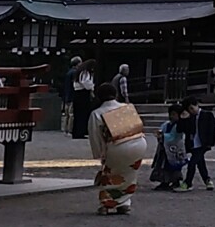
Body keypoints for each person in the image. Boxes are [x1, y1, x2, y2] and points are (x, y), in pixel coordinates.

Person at [88, 82, 148, 215]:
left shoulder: (97, 113)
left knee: (110, 174)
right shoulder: (127, 107)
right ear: (115, 94)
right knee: (129, 174)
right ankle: (124, 203)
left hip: (117, 146)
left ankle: (106, 203)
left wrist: (100, 154)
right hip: (139, 142)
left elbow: (95, 136)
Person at [175, 96, 215, 191]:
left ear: (197, 105)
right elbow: (180, 129)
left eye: (192, 108)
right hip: (193, 144)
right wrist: (182, 119)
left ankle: (187, 182)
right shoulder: (189, 117)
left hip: (203, 144)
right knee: (200, 163)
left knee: (192, 163)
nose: (191, 111)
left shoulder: (207, 115)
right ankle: (207, 180)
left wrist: (210, 143)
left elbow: (211, 130)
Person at [149, 102, 188, 191]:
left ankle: (176, 181)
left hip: (175, 149)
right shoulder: (166, 124)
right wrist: (160, 134)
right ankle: (164, 182)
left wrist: (163, 136)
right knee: (164, 166)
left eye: (174, 114)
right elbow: (163, 130)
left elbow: (174, 137)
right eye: (171, 114)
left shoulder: (179, 126)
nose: (172, 116)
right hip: (165, 150)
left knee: (175, 166)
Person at [71, 59, 96, 140]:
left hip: (77, 93)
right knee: (82, 114)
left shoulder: (79, 72)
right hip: (83, 94)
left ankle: (76, 132)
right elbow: (86, 83)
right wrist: (92, 86)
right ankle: (80, 132)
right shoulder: (85, 73)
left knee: (78, 114)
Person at [62, 56, 82, 135]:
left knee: (66, 114)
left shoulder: (68, 72)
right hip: (72, 95)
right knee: (71, 114)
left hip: (67, 95)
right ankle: (70, 129)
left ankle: (65, 129)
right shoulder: (75, 73)